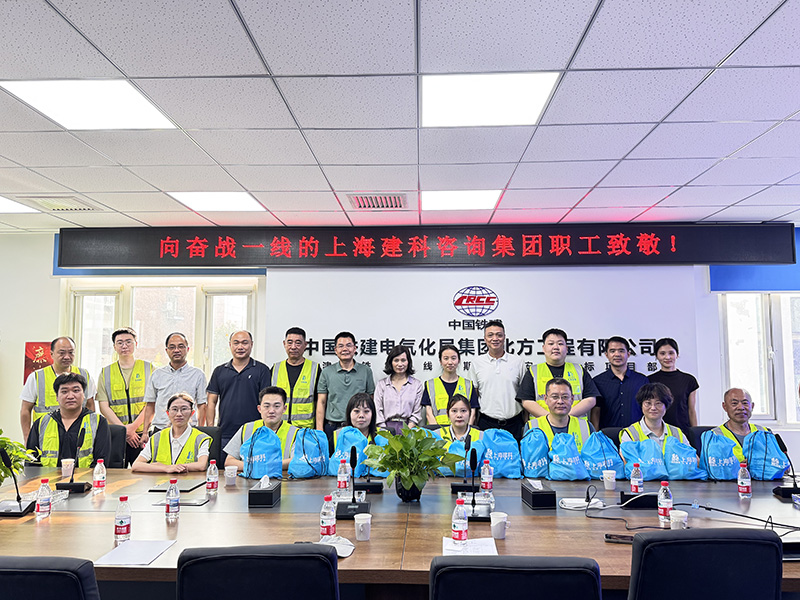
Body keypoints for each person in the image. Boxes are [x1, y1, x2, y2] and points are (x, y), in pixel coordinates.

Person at [20, 336, 96, 442]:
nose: (67, 357)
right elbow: (25, 410)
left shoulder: (84, 375)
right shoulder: (37, 377)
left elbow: (90, 405)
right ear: (52, 354)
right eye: (62, 353)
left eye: (71, 352)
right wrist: (27, 438)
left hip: (77, 437)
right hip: (45, 437)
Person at [206, 330, 271, 455]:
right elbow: (211, 401)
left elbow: (267, 402)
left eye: (244, 343)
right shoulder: (219, 371)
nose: (240, 347)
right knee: (224, 467)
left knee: (252, 466)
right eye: (236, 343)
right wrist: (211, 429)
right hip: (225, 434)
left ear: (251, 344)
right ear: (230, 345)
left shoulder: (262, 370)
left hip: (254, 433)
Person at [26, 373, 109, 468]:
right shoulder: (41, 424)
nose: (70, 396)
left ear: (84, 395)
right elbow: (30, 462)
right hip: (48, 477)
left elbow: (102, 461)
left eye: (76, 390)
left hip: (86, 477)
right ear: (57, 397)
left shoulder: (98, 422)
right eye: (64, 391)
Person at [97, 327, 153, 467]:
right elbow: (103, 406)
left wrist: (132, 428)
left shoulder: (149, 368)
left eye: (128, 342)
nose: (124, 346)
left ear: (136, 344)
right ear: (114, 347)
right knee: (114, 473)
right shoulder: (106, 372)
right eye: (120, 342)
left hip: (142, 434)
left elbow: (152, 403)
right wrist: (124, 430)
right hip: (115, 434)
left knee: (143, 474)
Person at [519, 328, 599, 421]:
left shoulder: (579, 370)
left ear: (567, 348)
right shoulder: (533, 371)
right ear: (543, 348)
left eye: (560, 344)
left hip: (575, 425)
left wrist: (566, 417)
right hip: (542, 426)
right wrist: (551, 419)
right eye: (551, 344)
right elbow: (526, 401)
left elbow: (591, 399)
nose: (556, 347)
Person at [468, 319, 526, 440]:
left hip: (514, 423)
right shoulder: (477, 363)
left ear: (504, 337)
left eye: (499, 335)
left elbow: (524, 395)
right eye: (490, 335)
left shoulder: (518, 362)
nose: (495, 338)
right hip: (486, 423)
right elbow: (474, 394)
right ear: (485, 339)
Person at [142, 332, 207, 436]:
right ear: (166, 350)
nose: (176, 350)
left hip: (188, 430)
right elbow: (150, 405)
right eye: (172, 347)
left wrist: (200, 431)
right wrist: (145, 432)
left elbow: (202, 406)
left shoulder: (198, 375)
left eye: (181, 346)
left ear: (187, 349)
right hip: (161, 429)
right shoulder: (157, 374)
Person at [316, 331, 375, 445]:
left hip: (359, 427)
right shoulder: (327, 372)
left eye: (348, 345)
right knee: (333, 456)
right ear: (335, 350)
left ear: (355, 348)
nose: (345, 349)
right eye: (341, 346)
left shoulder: (365, 371)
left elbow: (371, 400)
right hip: (333, 427)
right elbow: (321, 402)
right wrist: (319, 430)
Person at [132, 392, 211, 473]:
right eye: (174, 409)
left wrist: (171, 467)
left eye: (184, 409)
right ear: (168, 413)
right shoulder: (157, 438)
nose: (179, 414)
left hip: (189, 480)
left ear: (192, 413)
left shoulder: (201, 438)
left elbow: (201, 465)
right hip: (160, 480)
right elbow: (136, 465)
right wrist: (166, 468)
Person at [224, 386, 299, 471]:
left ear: (284, 409)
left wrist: (267, 466)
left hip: (282, 478)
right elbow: (229, 461)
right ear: (259, 409)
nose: (271, 411)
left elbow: (297, 461)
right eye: (266, 406)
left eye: (277, 406)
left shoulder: (295, 433)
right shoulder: (247, 428)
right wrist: (255, 467)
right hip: (249, 478)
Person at [590, 336, 648, 430]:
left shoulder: (641, 380)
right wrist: (595, 434)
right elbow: (596, 411)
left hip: (636, 434)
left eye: (621, 351)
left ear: (628, 354)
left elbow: (648, 408)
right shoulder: (597, 381)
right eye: (612, 351)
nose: (617, 354)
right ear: (606, 355)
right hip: (608, 435)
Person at [271, 327, 321, 429]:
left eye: (298, 343)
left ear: (305, 345)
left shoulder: (315, 369)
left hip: (305, 429)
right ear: (284, 344)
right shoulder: (275, 368)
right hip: (279, 428)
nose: (293, 347)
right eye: (289, 342)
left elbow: (319, 402)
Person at [528, 378, 594, 452]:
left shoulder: (586, 427)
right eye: (555, 397)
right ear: (546, 399)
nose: (560, 401)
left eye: (565, 397)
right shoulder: (532, 427)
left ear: (572, 399)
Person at [648, 337, 699, 429]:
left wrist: (695, 432)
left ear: (677, 355)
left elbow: (691, 411)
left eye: (671, 353)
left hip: (682, 431)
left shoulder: (689, 380)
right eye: (662, 353)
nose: (667, 357)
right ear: (656, 356)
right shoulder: (649, 380)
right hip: (656, 431)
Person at [422, 344, 479, 427]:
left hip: (462, 431)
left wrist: (466, 432)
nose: (450, 362)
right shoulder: (430, 384)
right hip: (437, 432)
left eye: (453, 358)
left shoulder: (468, 385)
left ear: (458, 360)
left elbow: (472, 413)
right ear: (440, 361)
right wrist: (437, 431)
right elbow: (429, 413)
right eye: (446, 358)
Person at [709, 387, 769, 463]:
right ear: (725, 406)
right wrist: (740, 466)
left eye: (745, 403)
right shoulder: (715, 436)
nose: (741, 407)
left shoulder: (765, 433)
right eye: (734, 403)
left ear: (752, 406)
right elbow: (713, 466)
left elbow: (779, 462)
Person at [620, 383, 688, 448]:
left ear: (666, 406)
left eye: (658, 403)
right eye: (648, 403)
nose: (653, 408)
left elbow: (690, 455)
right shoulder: (630, 434)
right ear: (641, 405)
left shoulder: (677, 433)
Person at [374, 345, 423, 434]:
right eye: (396, 360)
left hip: (409, 428)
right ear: (391, 362)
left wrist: (407, 431)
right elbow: (377, 410)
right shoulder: (382, 384)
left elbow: (417, 412)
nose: (400, 364)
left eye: (403, 360)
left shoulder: (416, 385)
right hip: (386, 428)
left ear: (408, 362)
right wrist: (385, 431)